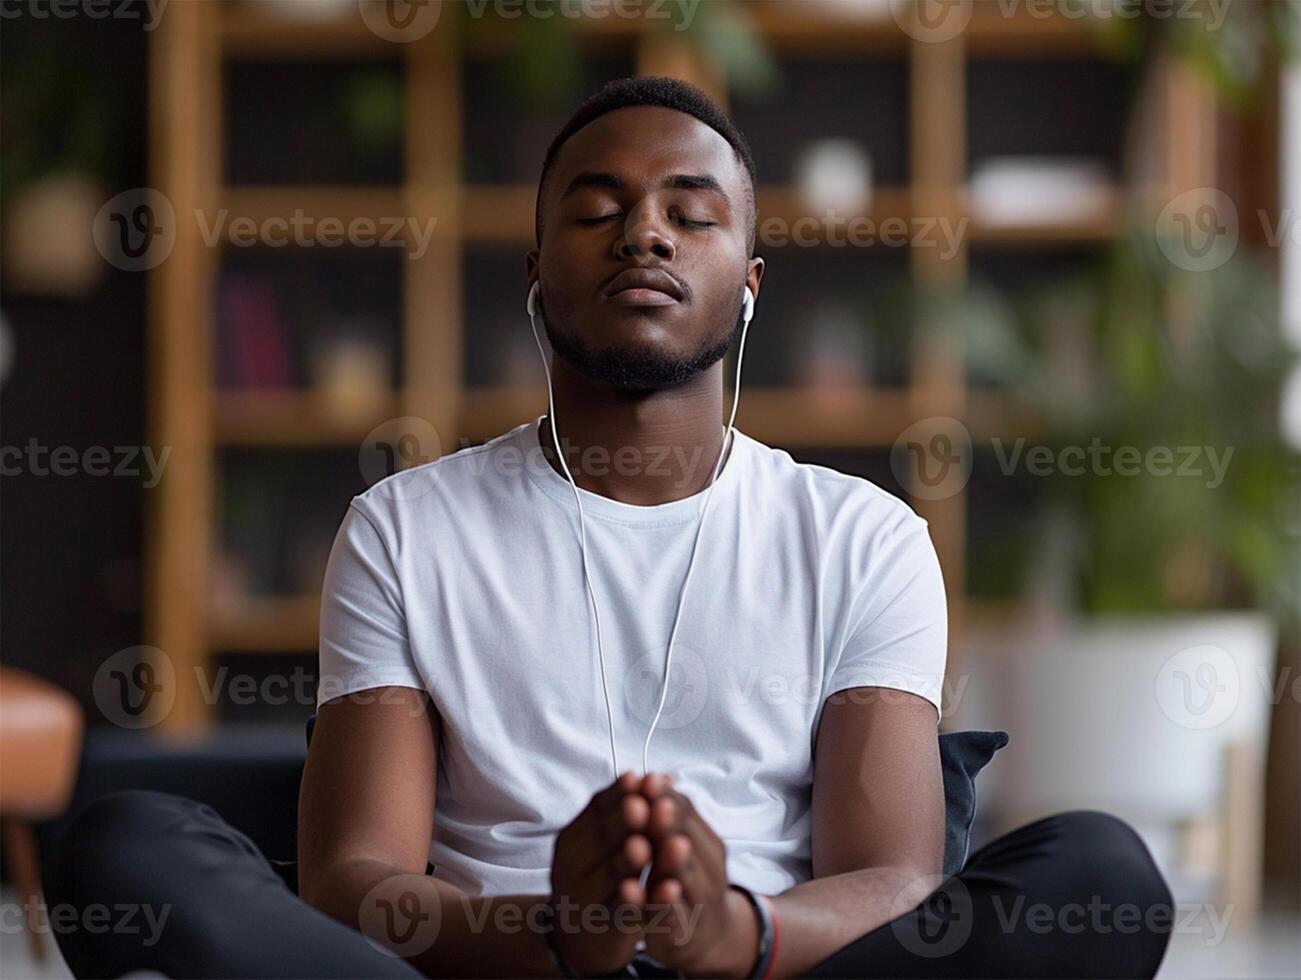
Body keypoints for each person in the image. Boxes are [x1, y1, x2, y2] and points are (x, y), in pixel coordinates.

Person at [50, 77, 1174, 979]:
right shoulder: (404, 528)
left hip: (769, 962)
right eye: (597, 210)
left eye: (691, 214)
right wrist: (557, 930)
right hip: (493, 967)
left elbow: (888, 879)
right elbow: (359, 878)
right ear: (538, 276)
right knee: (127, 844)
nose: (645, 233)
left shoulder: (860, 536)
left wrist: (727, 930)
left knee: (1103, 868)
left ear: (746, 280)